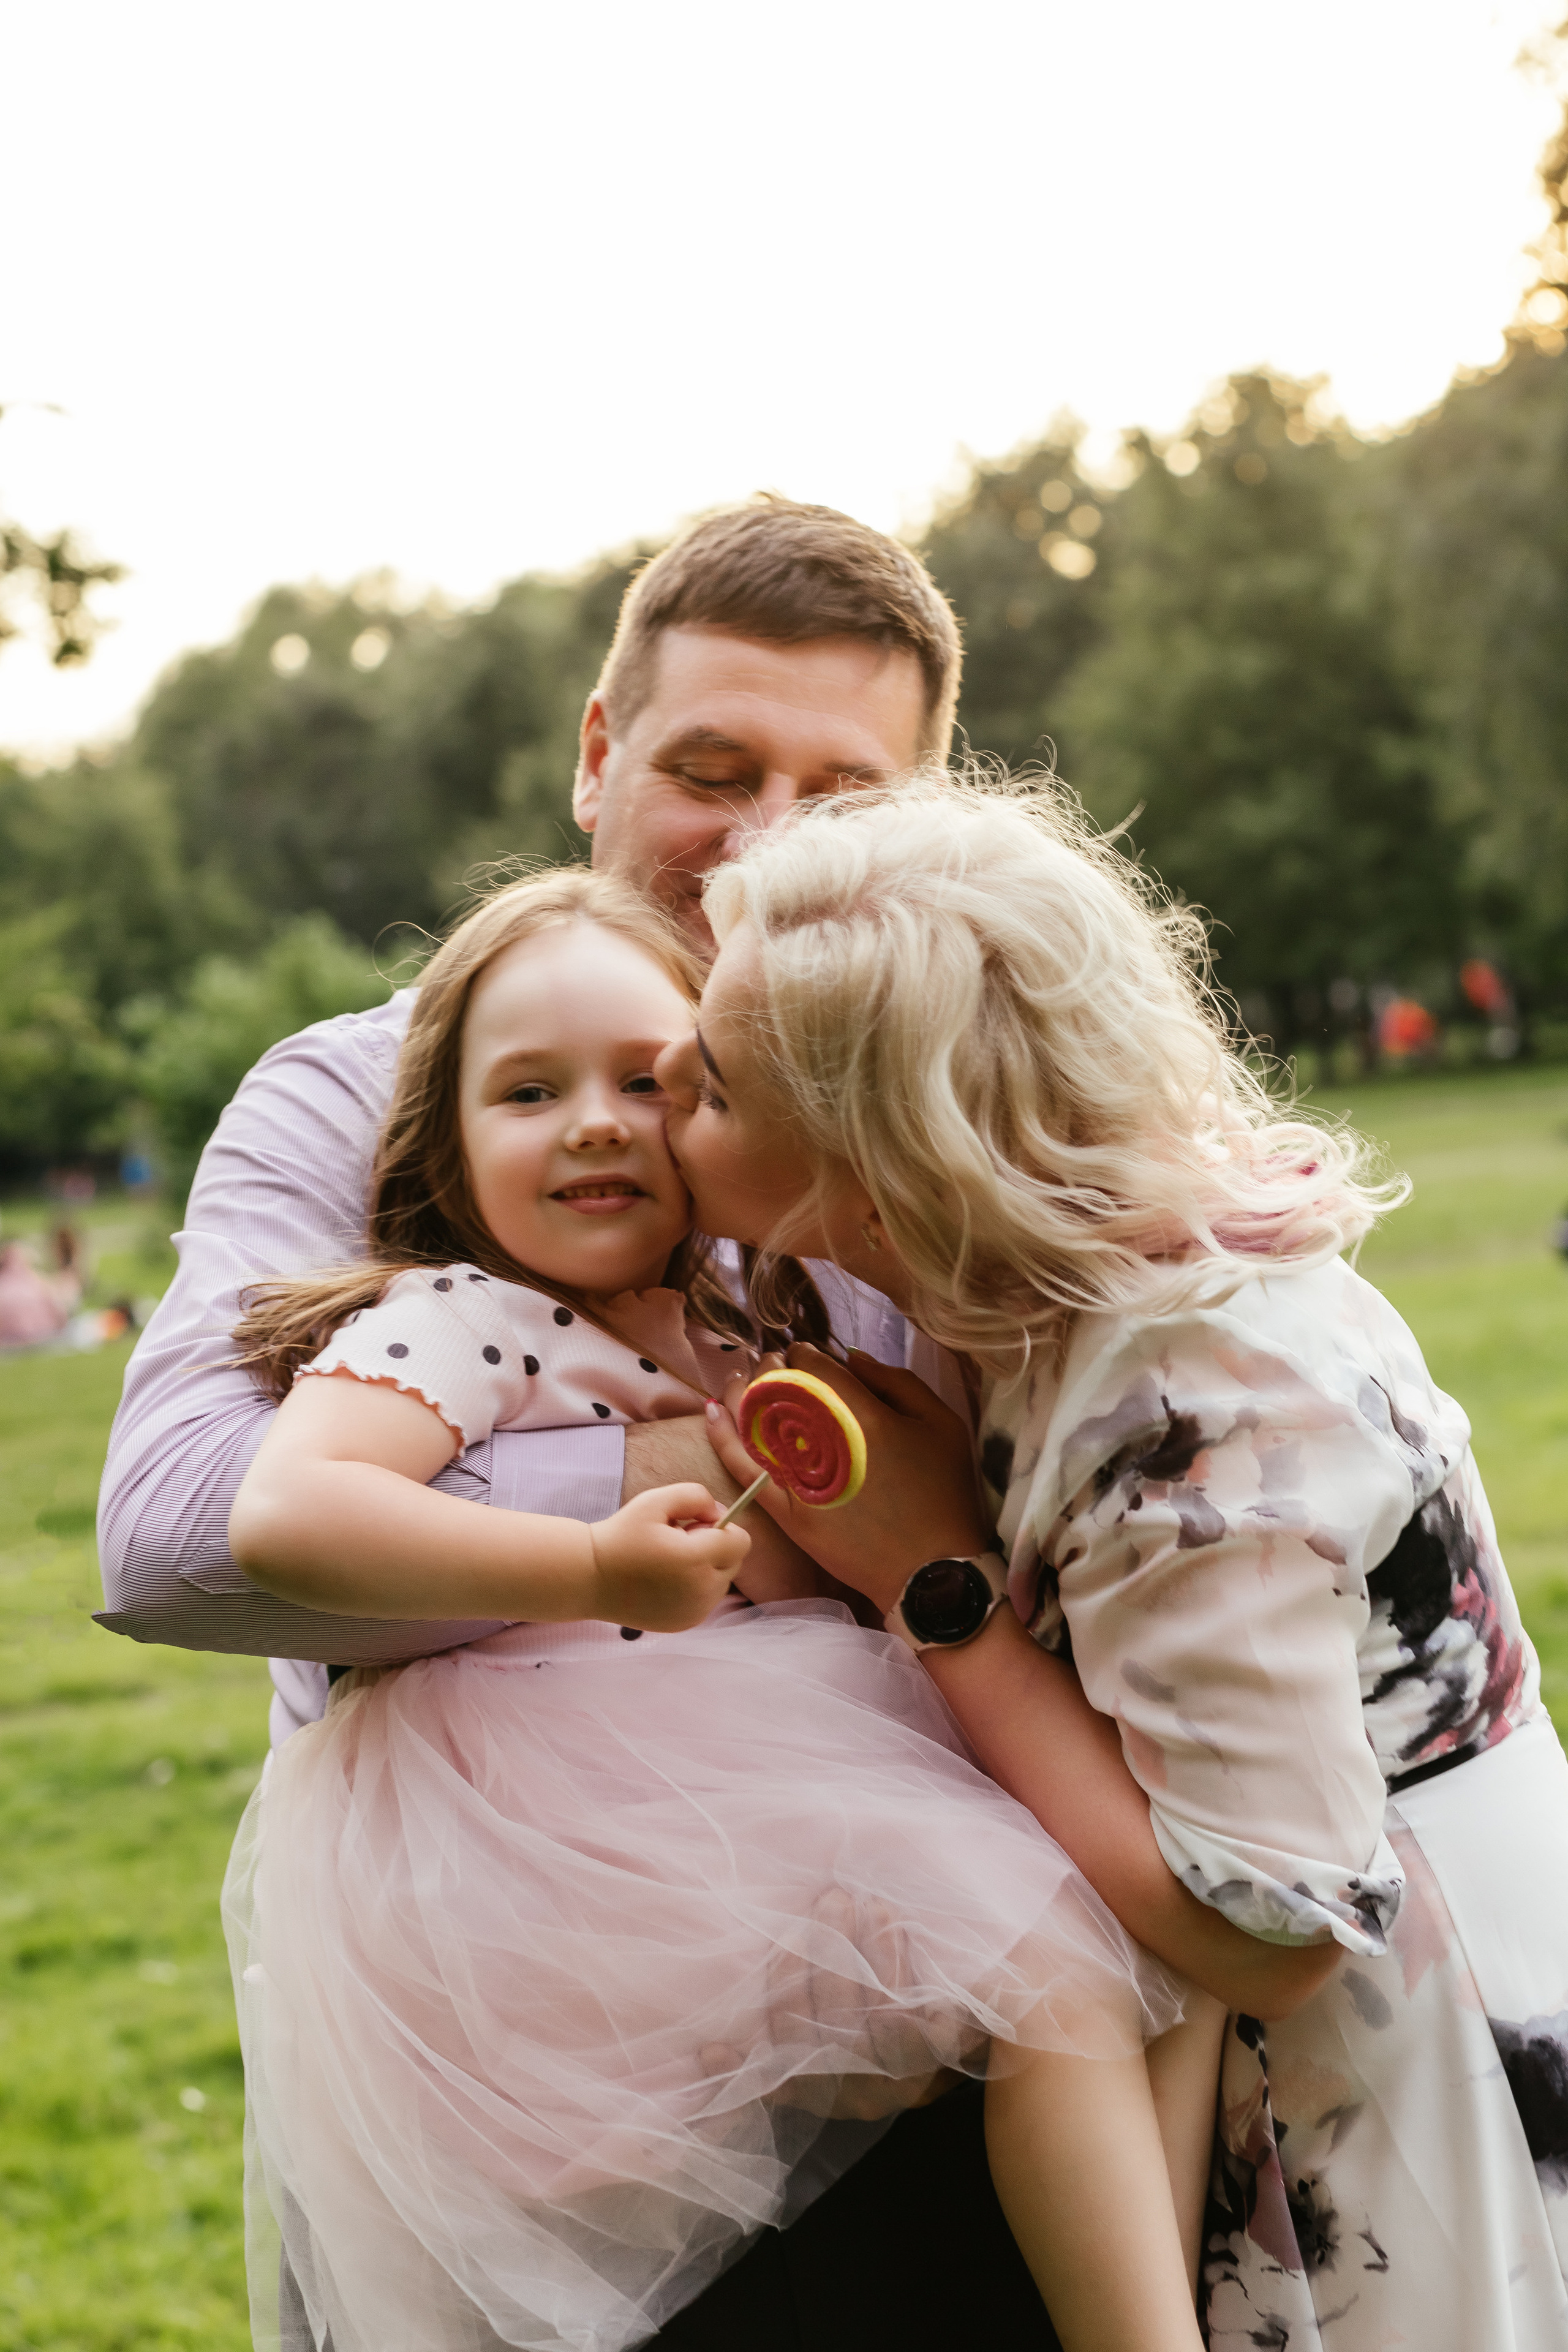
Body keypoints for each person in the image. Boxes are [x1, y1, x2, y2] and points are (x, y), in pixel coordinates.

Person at [95, 499, 1076, 2348]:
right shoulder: (362, 1090)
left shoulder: (961, 1117)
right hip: (530, 2062)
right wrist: (702, 1496)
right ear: (598, 759)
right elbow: (175, 1544)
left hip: (907, 2018)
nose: (765, 838)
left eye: (841, 794)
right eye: (712, 767)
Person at [220, 865, 1207, 2352]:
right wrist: (590, 1567)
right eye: (530, 1093)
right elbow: (287, 1517)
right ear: (445, 1139)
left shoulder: (735, 1326)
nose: (599, 1121)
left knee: (1148, 1974)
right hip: (563, 1829)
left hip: (727, 1803)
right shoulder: (453, 1320)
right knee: (1059, 1974)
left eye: (645, 1080)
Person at [657, 772, 1568, 2350]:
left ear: (867, 1181)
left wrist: (931, 1585)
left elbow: (1264, 1931)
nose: (662, 1070)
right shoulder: (1065, 1296)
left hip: (1393, 2093)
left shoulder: (1192, 1397)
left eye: (718, 1086)